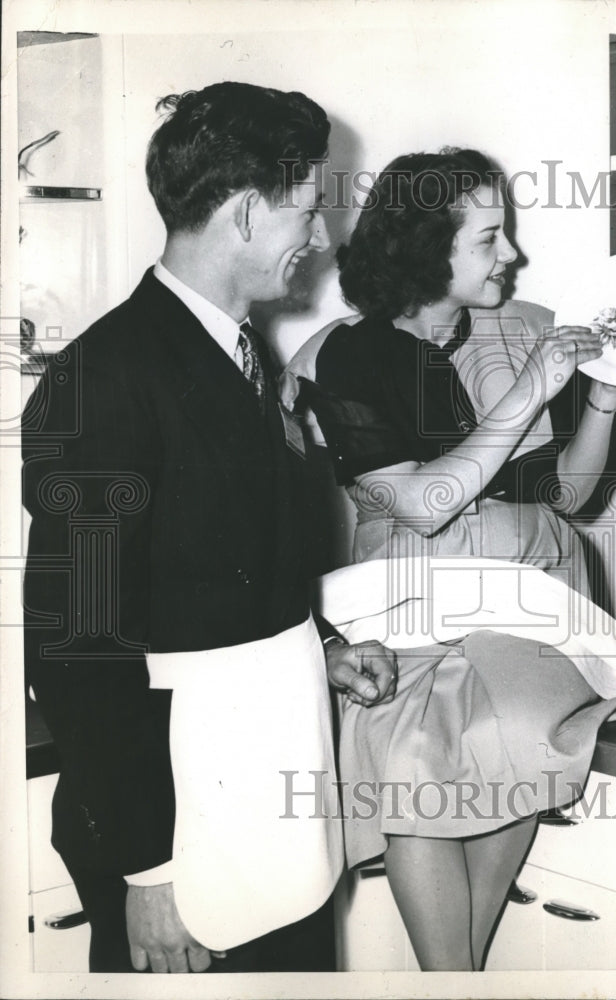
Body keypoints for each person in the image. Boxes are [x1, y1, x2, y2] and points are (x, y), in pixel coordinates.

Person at [22, 82, 397, 975]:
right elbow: (78, 645)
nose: (321, 238)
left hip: (266, 788)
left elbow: (222, 555)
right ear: (243, 213)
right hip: (180, 827)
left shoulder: (237, 352)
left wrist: (319, 644)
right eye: (307, 211)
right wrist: (147, 870)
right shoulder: (106, 376)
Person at [282, 149, 616, 970]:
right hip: (404, 595)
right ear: (424, 249)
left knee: (514, 731)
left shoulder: (530, 327)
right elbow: (427, 505)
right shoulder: (351, 354)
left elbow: (570, 496)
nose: (510, 256)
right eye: (489, 238)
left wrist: (610, 390)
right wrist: (532, 391)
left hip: (532, 589)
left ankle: (452, 979)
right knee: (409, 759)